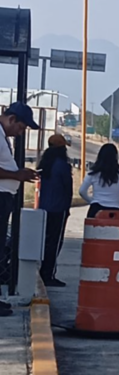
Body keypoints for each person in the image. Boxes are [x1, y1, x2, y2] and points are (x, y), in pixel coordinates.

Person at [0, 102, 40, 317]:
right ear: (12, 119)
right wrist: (16, 175)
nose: (20, 132)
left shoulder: (3, 136)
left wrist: (19, 173)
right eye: (21, 127)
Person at [38, 134, 73, 287]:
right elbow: (68, 188)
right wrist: (67, 207)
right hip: (58, 208)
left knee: (44, 242)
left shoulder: (45, 164)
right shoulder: (63, 165)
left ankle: (41, 271)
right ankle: (48, 274)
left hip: (44, 207)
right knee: (55, 242)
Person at [79, 144, 119, 218]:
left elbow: (82, 191)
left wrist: (92, 201)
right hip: (115, 211)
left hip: (96, 209)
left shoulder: (93, 173)